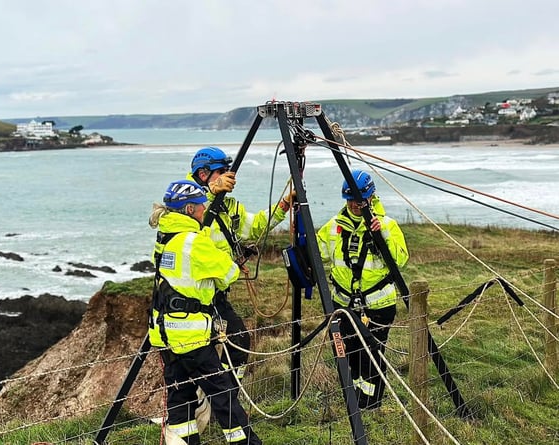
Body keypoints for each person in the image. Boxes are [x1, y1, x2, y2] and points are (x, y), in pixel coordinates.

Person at [148, 179, 262, 445]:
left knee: (180, 397)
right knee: (222, 395)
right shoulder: (194, 242)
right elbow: (228, 274)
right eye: (200, 205)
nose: (203, 210)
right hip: (190, 335)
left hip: (164, 333)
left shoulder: (164, 236)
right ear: (189, 209)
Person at [188, 146, 293, 380]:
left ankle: (223, 396)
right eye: (222, 171)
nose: (229, 176)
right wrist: (210, 193)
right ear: (203, 174)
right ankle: (219, 397)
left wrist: (284, 205)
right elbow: (177, 222)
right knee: (204, 352)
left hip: (216, 291)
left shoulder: (228, 205)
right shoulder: (186, 198)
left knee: (236, 342)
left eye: (229, 171)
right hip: (191, 294)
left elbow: (255, 225)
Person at [317, 170, 409, 410]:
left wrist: (380, 237)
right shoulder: (334, 226)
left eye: (359, 200)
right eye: (350, 201)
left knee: (371, 354)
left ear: (370, 197)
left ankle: (372, 402)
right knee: (350, 352)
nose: (355, 205)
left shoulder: (387, 225)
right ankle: (359, 397)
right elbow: (317, 252)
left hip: (378, 306)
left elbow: (400, 259)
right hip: (344, 305)